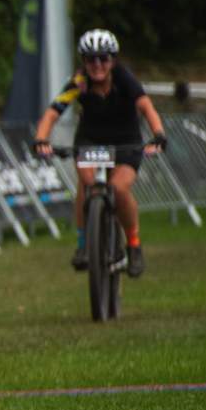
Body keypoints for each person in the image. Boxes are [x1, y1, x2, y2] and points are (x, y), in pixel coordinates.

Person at [31, 28, 168, 278]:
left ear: (113, 60)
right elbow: (52, 113)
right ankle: (84, 244)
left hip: (125, 141)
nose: (97, 65)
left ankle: (134, 245)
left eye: (103, 58)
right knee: (86, 184)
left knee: (118, 188)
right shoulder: (79, 82)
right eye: (90, 59)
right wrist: (41, 139)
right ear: (83, 61)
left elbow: (146, 107)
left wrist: (158, 134)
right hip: (91, 140)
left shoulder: (124, 79)